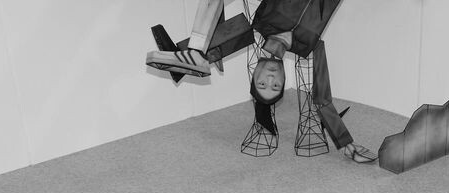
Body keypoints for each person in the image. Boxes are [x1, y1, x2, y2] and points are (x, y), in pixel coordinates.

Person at [145, 0, 377, 163]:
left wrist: (191, 53)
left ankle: (193, 51)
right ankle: (192, 54)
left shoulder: (259, 25)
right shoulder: (310, 46)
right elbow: (323, 100)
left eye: (262, 84)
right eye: (275, 86)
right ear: (284, 80)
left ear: (255, 73)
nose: (270, 78)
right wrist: (346, 143)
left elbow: (226, 38)